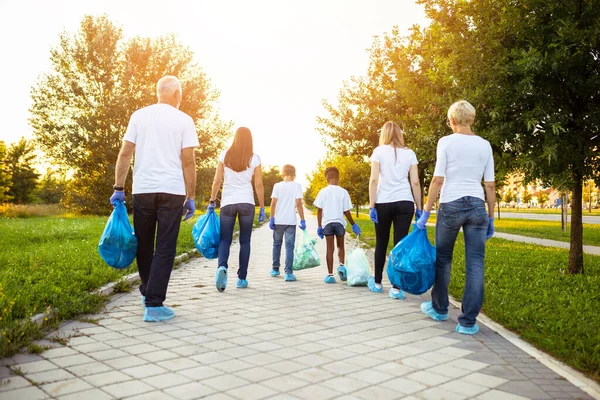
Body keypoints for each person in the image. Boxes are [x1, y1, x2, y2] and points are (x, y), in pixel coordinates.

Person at [111, 75, 199, 323]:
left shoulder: (139, 116)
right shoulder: (184, 120)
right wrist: (191, 196)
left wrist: (119, 187)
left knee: (145, 243)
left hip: (143, 190)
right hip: (172, 191)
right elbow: (189, 161)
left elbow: (125, 153)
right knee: (165, 246)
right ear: (177, 95)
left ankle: (147, 291)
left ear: (158, 93)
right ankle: (153, 303)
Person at [416, 100, 495, 335]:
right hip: (477, 206)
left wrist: (426, 211)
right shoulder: (485, 145)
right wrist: (490, 218)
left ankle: (440, 309)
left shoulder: (446, 142)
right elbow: (490, 185)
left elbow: (438, 180)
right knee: (476, 263)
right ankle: (468, 322)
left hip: (451, 205)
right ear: (471, 119)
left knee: (443, 259)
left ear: (452, 121)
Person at [368, 121, 422, 299]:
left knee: (381, 242)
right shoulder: (410, 153)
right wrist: (420, 207)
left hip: (383, 202)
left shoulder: (378, 152)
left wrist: (372, 205)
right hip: (405, 203)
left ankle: (377, 283)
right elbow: (415, 182)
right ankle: (396, 288)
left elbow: (374, 180)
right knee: (400, 246)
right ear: (400, 134)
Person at [209, 127, 265, 292]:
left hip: (227, 203)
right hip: (247, 202)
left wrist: (212, 200)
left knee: (225, 240)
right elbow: (259, 184)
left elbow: (217, 180)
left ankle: (222, 266)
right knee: (245, 241)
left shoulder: (225, 155)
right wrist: (262, 207)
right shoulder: (255, 158)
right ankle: (241, 279)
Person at [314, 167, 361, 283]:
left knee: (330, 249)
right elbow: (346, 211)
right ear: (338, 178)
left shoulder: (323, 192)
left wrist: (319, 226)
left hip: (327, 224)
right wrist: (354, 224)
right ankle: (341, 267)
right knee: (341, 247)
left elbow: (319, 210)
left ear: (327, 178)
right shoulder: (343, 192)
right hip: (340, 223)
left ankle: (330, 275)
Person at [269, 164, 306, 282]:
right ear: (294, 175)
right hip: (291, 221)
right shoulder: (297, 186)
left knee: (276, 244)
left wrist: (271, 218)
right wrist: (303, 219)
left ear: (282, 174)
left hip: (278, 221)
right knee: (289, 247)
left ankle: (275, 269)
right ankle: (288, 273)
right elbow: (299, 204)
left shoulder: (277, 186)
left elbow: (273, 203)